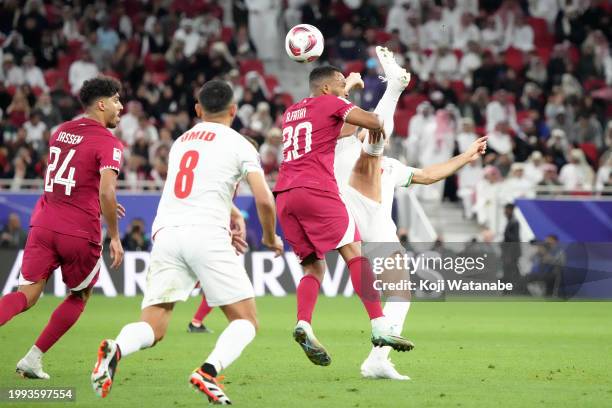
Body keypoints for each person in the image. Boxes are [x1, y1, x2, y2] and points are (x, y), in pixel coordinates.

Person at [91, 80, 283, 405]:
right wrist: (268, 236)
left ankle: (118, 346)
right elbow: (264, 200)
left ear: (198, 110)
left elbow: (193, 186)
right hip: (206, 233)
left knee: (155, 325)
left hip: (166, 234)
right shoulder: (240, 144)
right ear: (234, 111)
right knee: (246, 321)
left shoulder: (181, 141)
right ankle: (208, 372)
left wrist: (232, 211)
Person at [335, 47, 488, 380]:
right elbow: (338, 113)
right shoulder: (345, 147)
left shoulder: (391, 166)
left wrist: (466, 156)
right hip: (354, 214)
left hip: (380, 234)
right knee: (371, 147)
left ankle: (378, 359)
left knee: (402, 294)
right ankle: (395, 86)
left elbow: (430, 175)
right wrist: (346, 88)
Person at [274, 65, 414, 369]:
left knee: (312, 268)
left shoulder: (292, 112)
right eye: (338, 82)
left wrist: (345, 89)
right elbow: (374, 123)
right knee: (354, 252)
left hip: (284, 195)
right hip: (316, 190)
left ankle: (304, 323)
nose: (343, 86)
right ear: (326, 88)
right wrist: (354, 93)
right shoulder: (334, 102)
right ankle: (379, 324)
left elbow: (336, 129)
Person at [0, 76, 125, 379]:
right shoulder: (109, 142)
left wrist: (98, 200)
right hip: (79, 232)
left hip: (43, 224)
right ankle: (32, 358)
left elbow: (74, 178)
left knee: (26, 295)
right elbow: (107, 191)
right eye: (117, 100)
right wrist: (115, 237)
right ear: (101, 103)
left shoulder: (61, 131)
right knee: (79, 296)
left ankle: (30, 360)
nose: (120, 107)